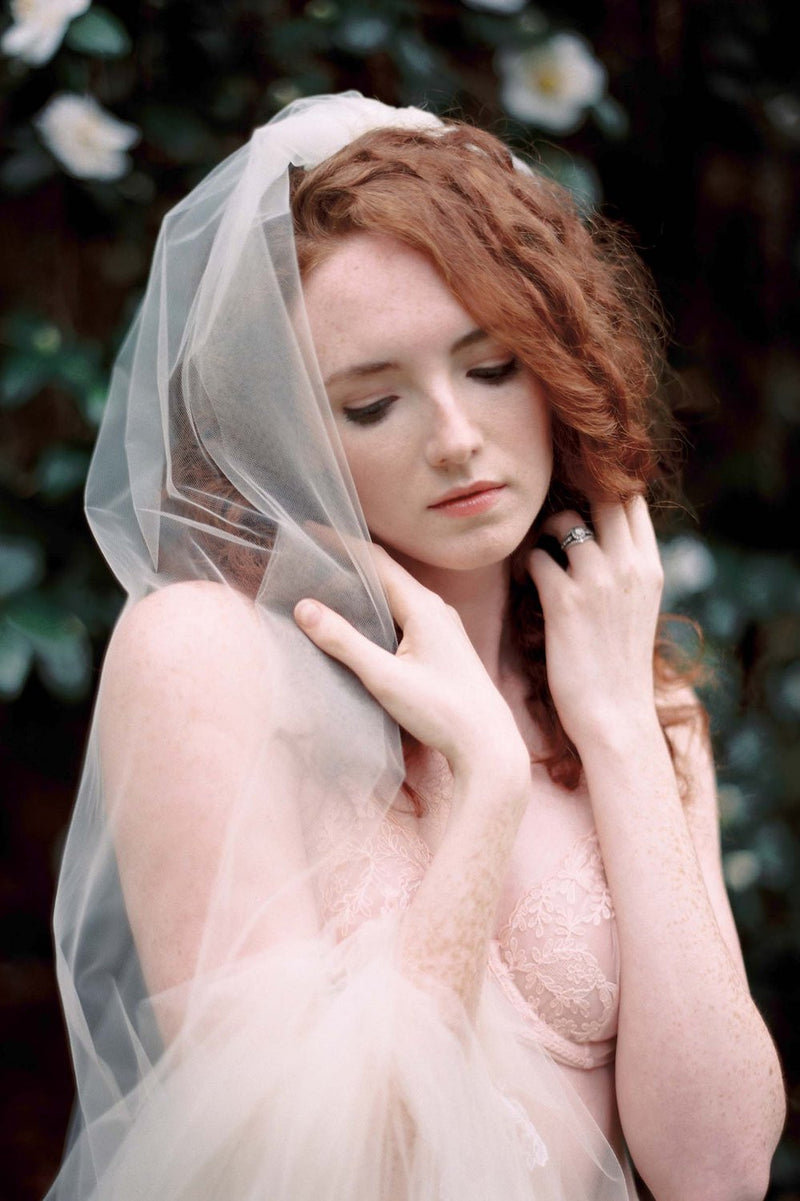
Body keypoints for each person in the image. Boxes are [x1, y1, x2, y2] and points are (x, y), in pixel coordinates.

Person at [45, 92, 784, 1201]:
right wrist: (481, 792)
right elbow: (292, 1175)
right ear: (285, 436)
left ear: (555, 366)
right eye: (371, 402)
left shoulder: (635, 705)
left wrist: (624, 732)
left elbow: (716, 1171)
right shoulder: (203, 659)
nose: (454, 437)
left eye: (490, 368)